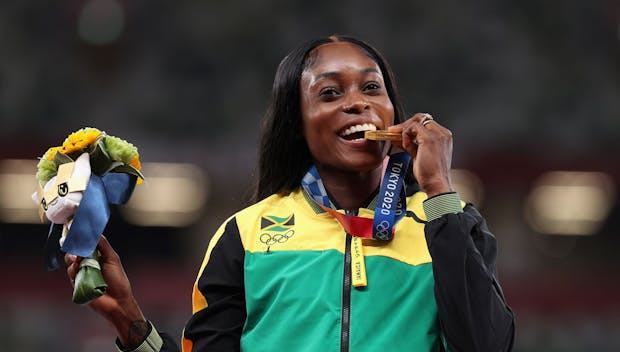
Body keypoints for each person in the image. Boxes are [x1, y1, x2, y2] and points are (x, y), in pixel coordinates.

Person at [66, 34, 515, 351]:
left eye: (372, 88)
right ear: (296, 125)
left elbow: (487, 344)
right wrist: (131, 325)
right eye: (330, 92)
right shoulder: (244, 235)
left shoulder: (448, 224)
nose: (357, 102)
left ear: (393, 114)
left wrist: (438, 189)